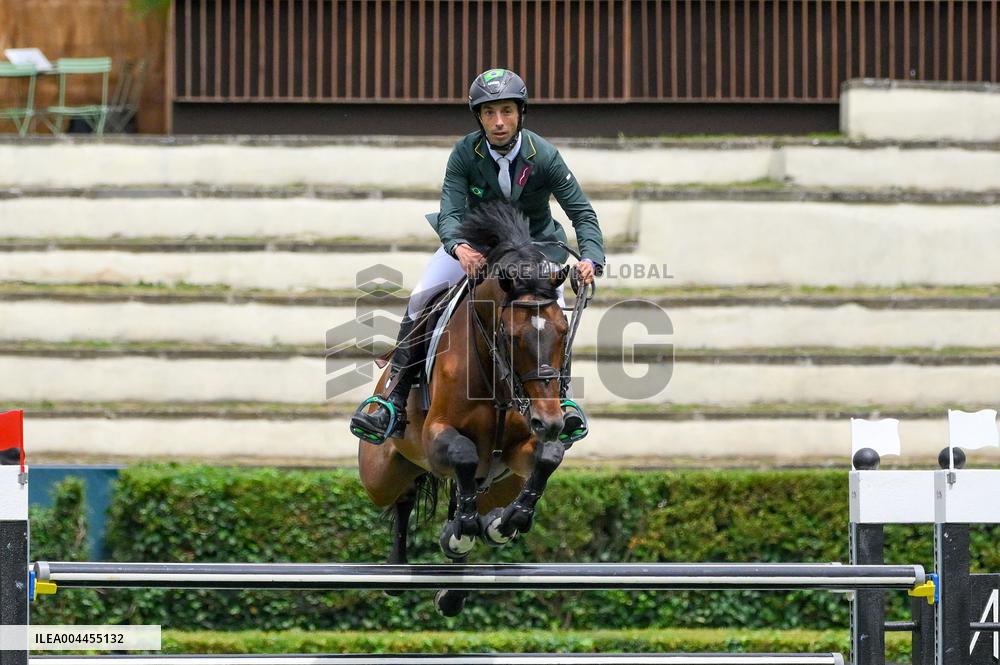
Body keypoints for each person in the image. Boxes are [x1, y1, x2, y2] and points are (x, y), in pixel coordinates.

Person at [350, 67, 605, 446]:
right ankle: (393, 398)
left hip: (533, 246)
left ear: (520, 113)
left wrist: (590, 259)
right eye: (489, 113)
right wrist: (458, 247)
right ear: (479, 117)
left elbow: (581, 213)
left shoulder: (545, 156)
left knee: (555, 315)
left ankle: (562, 400)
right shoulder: (464, 153)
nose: (498, 122)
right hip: (476, 246)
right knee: (422, 295)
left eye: (506, 111)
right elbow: (450, 211)